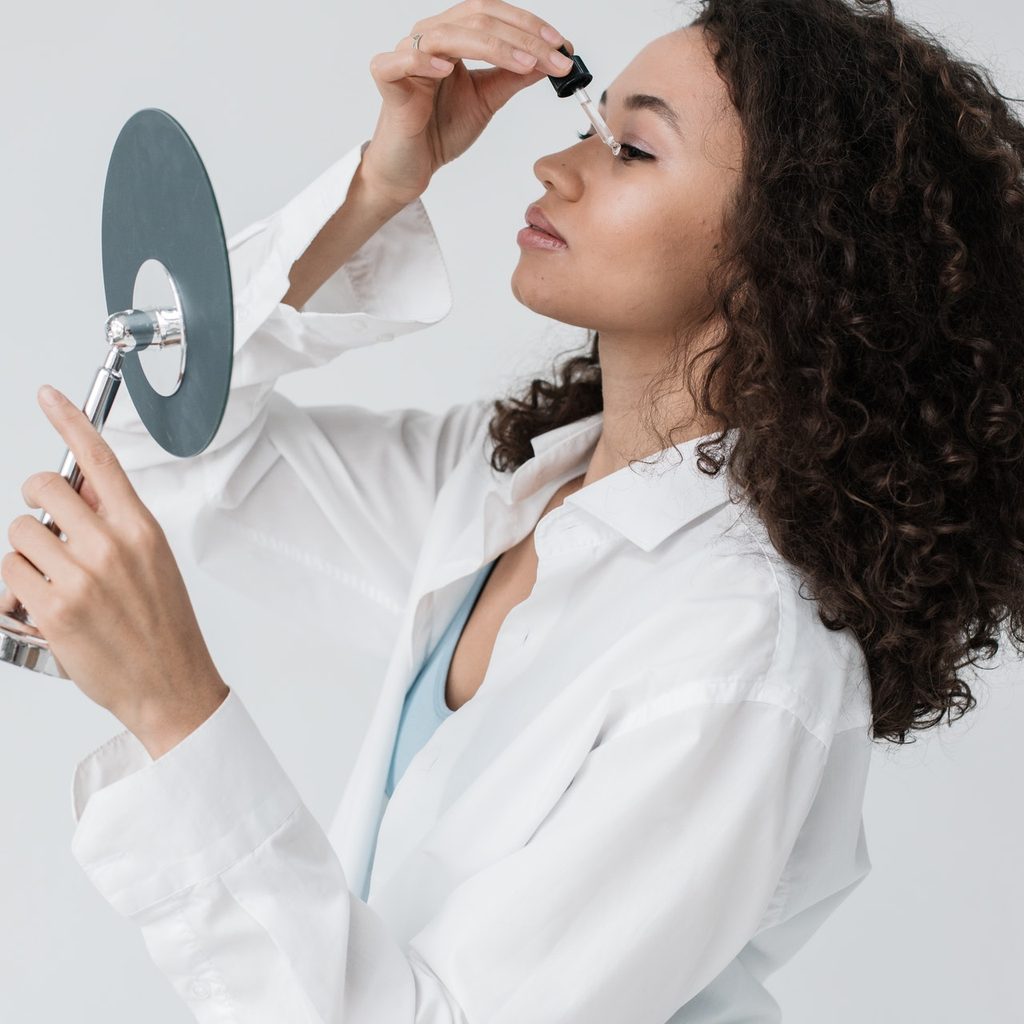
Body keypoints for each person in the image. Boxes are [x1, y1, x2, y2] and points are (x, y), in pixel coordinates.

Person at [5, 0, 1023, 1020]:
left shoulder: (740, 659)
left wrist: (174, 711)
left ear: (787, 259)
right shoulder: (515, 487)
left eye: (630, 149)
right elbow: (168, 444)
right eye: (589, 125)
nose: (556, 168)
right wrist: (375, 186)